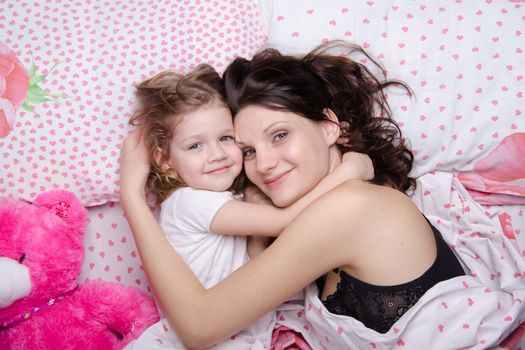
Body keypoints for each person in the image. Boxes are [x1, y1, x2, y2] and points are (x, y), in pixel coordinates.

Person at [119, 42, 466, 349]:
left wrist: (133, 197)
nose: (265, 164)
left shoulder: (349, 208)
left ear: (329, 126)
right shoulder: (340, 202)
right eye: (249, 151)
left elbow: (198, 327)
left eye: (280, 135)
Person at [123, 63, 374, 349]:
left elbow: (255, 269)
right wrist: (349, 172)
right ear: (166, 160)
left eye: (226, 138)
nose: (216, 154)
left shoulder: (228, 201)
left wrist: (255, 237)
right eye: (195, 146)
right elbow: (286, 220)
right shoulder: (190, 201)